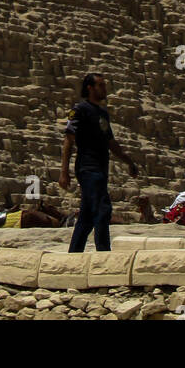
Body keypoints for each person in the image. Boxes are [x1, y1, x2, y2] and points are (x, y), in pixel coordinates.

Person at [59, 72, 138, 254]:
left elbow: (111, 142)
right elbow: (68, 141)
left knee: (86, 217)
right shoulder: (79, 110)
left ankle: (73, 256)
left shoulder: (102, 113)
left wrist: (129, 162)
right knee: (103, 209)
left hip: (101, 169)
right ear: (90, 88)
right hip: (88, 167)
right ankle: (104, 255)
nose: (105, 89)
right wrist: (64, 172)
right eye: (101, 85)